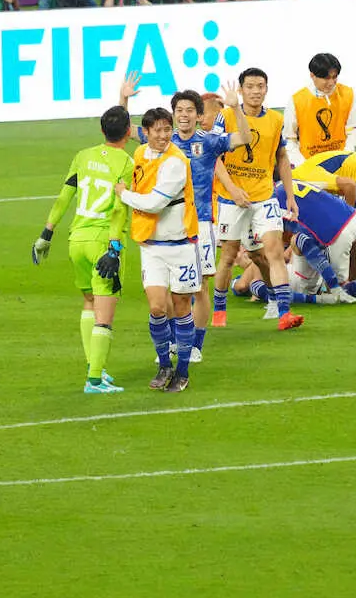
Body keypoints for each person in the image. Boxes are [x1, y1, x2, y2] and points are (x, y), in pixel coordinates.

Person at [120, 76, 249, 362]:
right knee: (163, 288)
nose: (184, 115)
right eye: (179, 110)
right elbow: (126, 132)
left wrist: (235, 108)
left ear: (199, 115)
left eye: (190, 110)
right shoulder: (163, 140)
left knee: (199, 286)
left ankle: (195, 346)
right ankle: (174, 340)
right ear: (173, 113)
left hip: (200, 223)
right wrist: (124, 99)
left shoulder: (210, 141)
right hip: (162, 227)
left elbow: (244, 138)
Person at [31, 107, 134, 394]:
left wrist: (46, 233)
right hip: (103, 242)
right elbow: (118, 209)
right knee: (105, 315)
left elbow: (65, 196)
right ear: (128, 132)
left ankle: (95, 367)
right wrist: (114, 247)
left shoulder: (83, 156)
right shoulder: (127, 162)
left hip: (76, 240)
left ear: (102, 131)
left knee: (89, 302)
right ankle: (94, 380)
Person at [116, 108, 200, 393]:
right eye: (158, 130)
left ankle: (183, 370)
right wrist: (124, 99)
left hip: (181, 246)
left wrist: (123, 194)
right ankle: (165, 364)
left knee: (181, 309)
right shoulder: (141, 153)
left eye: (168, 129)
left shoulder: (176, 162)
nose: (164, 135)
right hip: (152, 246)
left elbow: (154, 203)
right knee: (155, 307)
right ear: (148, 132)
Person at [210, 68, 302, 330]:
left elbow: (282, 158)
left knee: (271, 251)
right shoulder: (226, 116)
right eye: (250, 86)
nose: (255, 91)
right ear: (240, 90)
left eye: (260, 86)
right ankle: (219, 309)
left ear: (266, 89)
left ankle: (283, 311)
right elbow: (214, 157)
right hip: (231, 198)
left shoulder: (275, 119)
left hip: (264, 195)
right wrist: (232, 188)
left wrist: (290, 196)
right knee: (228, 256)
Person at [277, 180, 356, 305]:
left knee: (339, 290)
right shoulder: (286, 184)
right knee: (300, 241)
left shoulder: (270, 203)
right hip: (352, 216)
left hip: (337, 233)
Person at [282, 53, 356, 168]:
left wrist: (344, 158)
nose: (331, 83)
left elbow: (355, 130)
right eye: (326, 78)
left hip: (342, 163)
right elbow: (289, 139)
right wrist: (305, 165)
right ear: (312, 75)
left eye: (334, 77)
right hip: (309, 164)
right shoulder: (297, 100)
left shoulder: (348, 94)